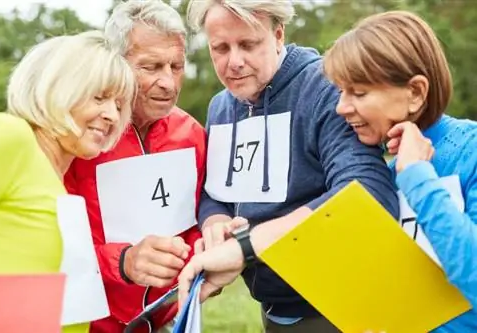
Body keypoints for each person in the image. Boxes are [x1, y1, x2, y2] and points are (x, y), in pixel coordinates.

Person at [179, 9, 477, 333]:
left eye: (358, 93)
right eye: (220, 48)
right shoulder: (390, 160)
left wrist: (418, 175)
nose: (341, 107)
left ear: (416, 92)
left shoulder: (459, 152)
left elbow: (470, 273)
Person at [0, 30, 135, 333]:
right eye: (100, 97)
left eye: (118, 104)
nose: (112, 116)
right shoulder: (12, 138)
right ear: (58, 89)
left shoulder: (58, 182)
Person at [63, 1, 206, 332]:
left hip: (171, 321)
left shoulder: (192, 134)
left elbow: (198, 216)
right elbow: (50, 246)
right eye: (151, 67)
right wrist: (122, 262)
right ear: (116, 63)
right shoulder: (80, 138)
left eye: (176, 66)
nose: (169, 83)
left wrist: (208, 246)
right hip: (91, 325)